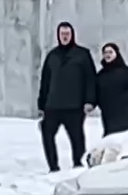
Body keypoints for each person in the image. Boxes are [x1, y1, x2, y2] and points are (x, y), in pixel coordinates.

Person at [37, 21, 98, 171]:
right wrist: (41, 104)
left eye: (67, 34)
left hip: (74, 106)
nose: (65, 37)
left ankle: (78, 164)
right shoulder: (52, 56)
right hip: (53, 105)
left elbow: (91, 79)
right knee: (47, 134)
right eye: (62, 34)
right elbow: (45, 81)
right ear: (58, 36)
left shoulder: (82, 55)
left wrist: (90, 101)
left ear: (72, 35)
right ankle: (53, 166)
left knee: (77, 138)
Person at [96, 43, 128, 136]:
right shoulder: (101, 74)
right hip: (107, 111)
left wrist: (124, 99)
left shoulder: (125, 71)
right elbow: (96, 91)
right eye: (105, 52)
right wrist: (100, 103)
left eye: (110, 52)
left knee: (122, 135)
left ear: (116, 54)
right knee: (109, 134)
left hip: (123, 111)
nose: (107, 55)